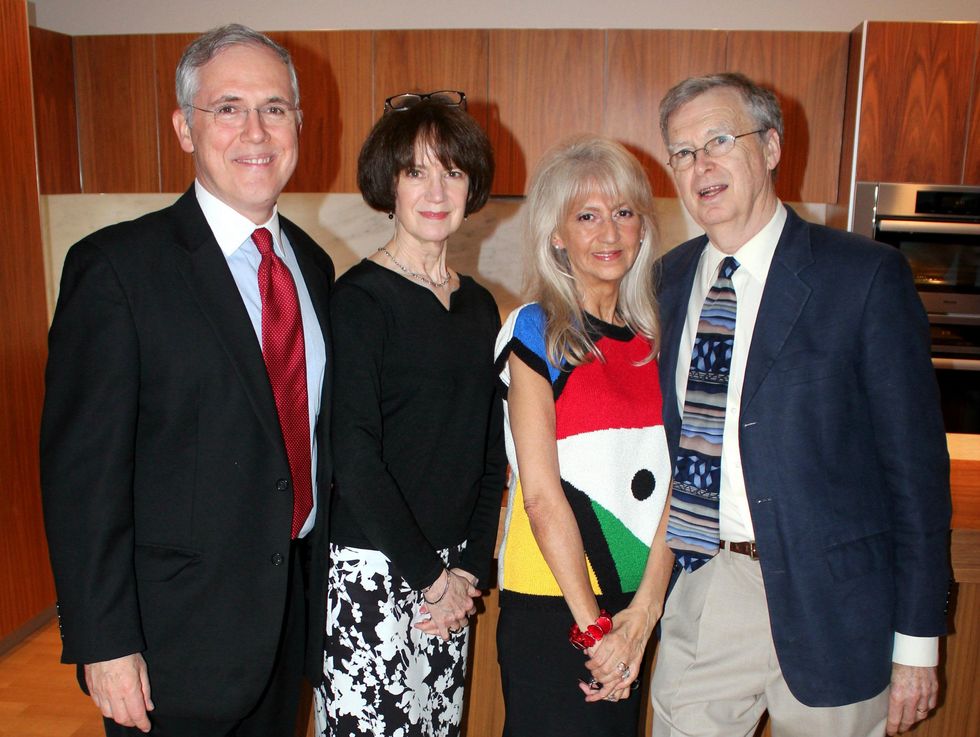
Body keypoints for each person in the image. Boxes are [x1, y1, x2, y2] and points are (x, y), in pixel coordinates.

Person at [40, 24, 333, 737]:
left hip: (283, 626)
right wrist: (104, 640)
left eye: (275, 107)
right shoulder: (117, 269)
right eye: (228, 107)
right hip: (170, 642)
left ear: (298, 122)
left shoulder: (314, 268)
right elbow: (84, 478)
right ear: (184, 127)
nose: (256, 130)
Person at [651, 72, 952, 737]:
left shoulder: (862, 277)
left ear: (771, 147)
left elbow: (917, 473)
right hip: (709, 585)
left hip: (836, 603)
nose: (700, 164)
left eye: (719, 139)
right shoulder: (669, 280)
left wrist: (918, 641)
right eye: (682, 150)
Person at [313, 91, 505, 737]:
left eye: (452, 170)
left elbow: (488, 448)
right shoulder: (359, 300)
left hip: (452, 570)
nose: (436, 189)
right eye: (416, 170)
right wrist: (430, 579)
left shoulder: (479, 306)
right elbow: (354, 452)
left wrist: (470, 569)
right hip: (373, 568)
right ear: (387, 184)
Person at [493, 135, 674, 736]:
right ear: (557, 235)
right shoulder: (535, 330)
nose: (610, 233)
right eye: (587, 216)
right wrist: (595, 629)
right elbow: (540, 494)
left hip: (637, 602)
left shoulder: (659, 337)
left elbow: (683, 483)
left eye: (624, 213)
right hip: (557, 603)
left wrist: (642, 615)